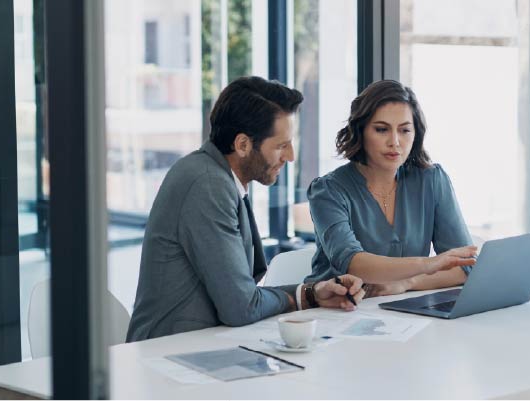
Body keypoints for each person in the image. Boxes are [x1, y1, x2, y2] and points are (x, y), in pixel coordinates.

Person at [127, 76, 365, 342]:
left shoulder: (216, 176)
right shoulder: (207, 185)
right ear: (242, 145)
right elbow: (241, 307)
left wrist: (310, 293)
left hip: (204, 345)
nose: (290, 157)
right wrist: (301, 297)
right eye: (281, 146)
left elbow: (243, 297)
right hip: (170, 354)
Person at [305, 80, 477, 297]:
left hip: (402, 313)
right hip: (334, 311)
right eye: (381, 129)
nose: (395, 141)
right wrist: (428, 264)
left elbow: (466, 266)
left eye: (405, 130)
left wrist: (407, 282)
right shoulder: (328, 191)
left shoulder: (431, 180)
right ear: (361, 131)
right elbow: (352, 262)